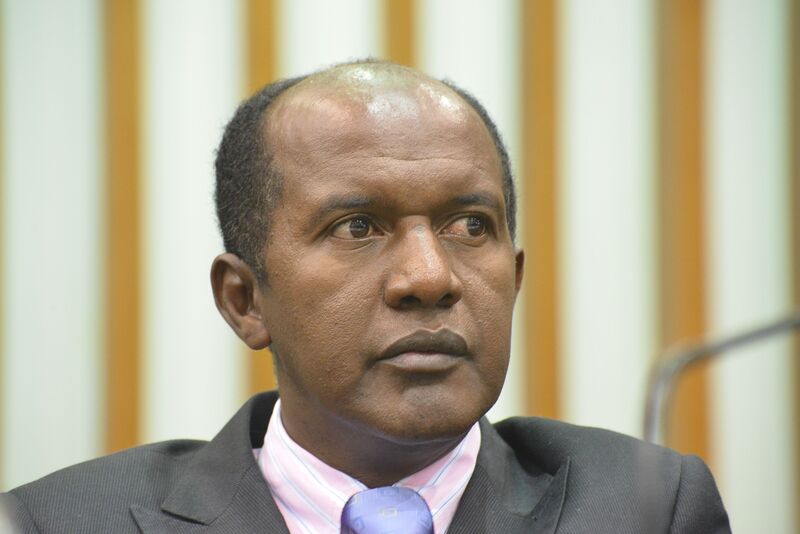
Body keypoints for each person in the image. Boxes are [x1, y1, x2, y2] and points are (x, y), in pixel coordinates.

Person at [1, 60, 730, 533]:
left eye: (470, 225)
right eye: (358, 227)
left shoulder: (646, 507)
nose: (431, 278)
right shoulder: (56, 522)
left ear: (514, 277)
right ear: (245, 301)